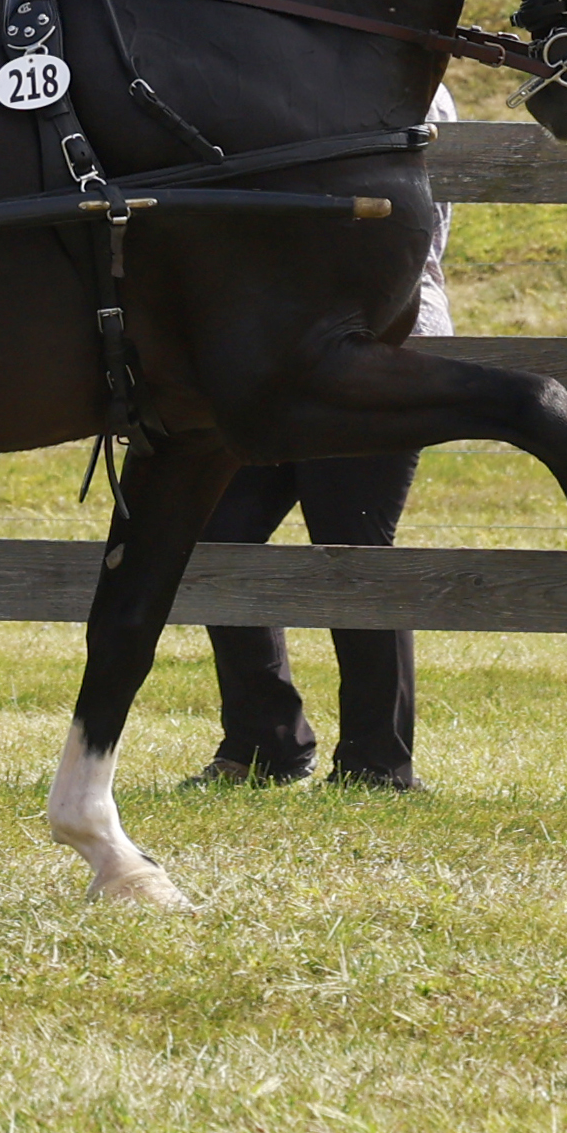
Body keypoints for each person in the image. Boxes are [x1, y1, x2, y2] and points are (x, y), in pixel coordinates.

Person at [190, 89, 458, 793]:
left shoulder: (409, 88)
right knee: (213, 531)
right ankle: (264, 741)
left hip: (375, 345)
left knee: (352, 549)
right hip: (276, 352)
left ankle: (379, 761)